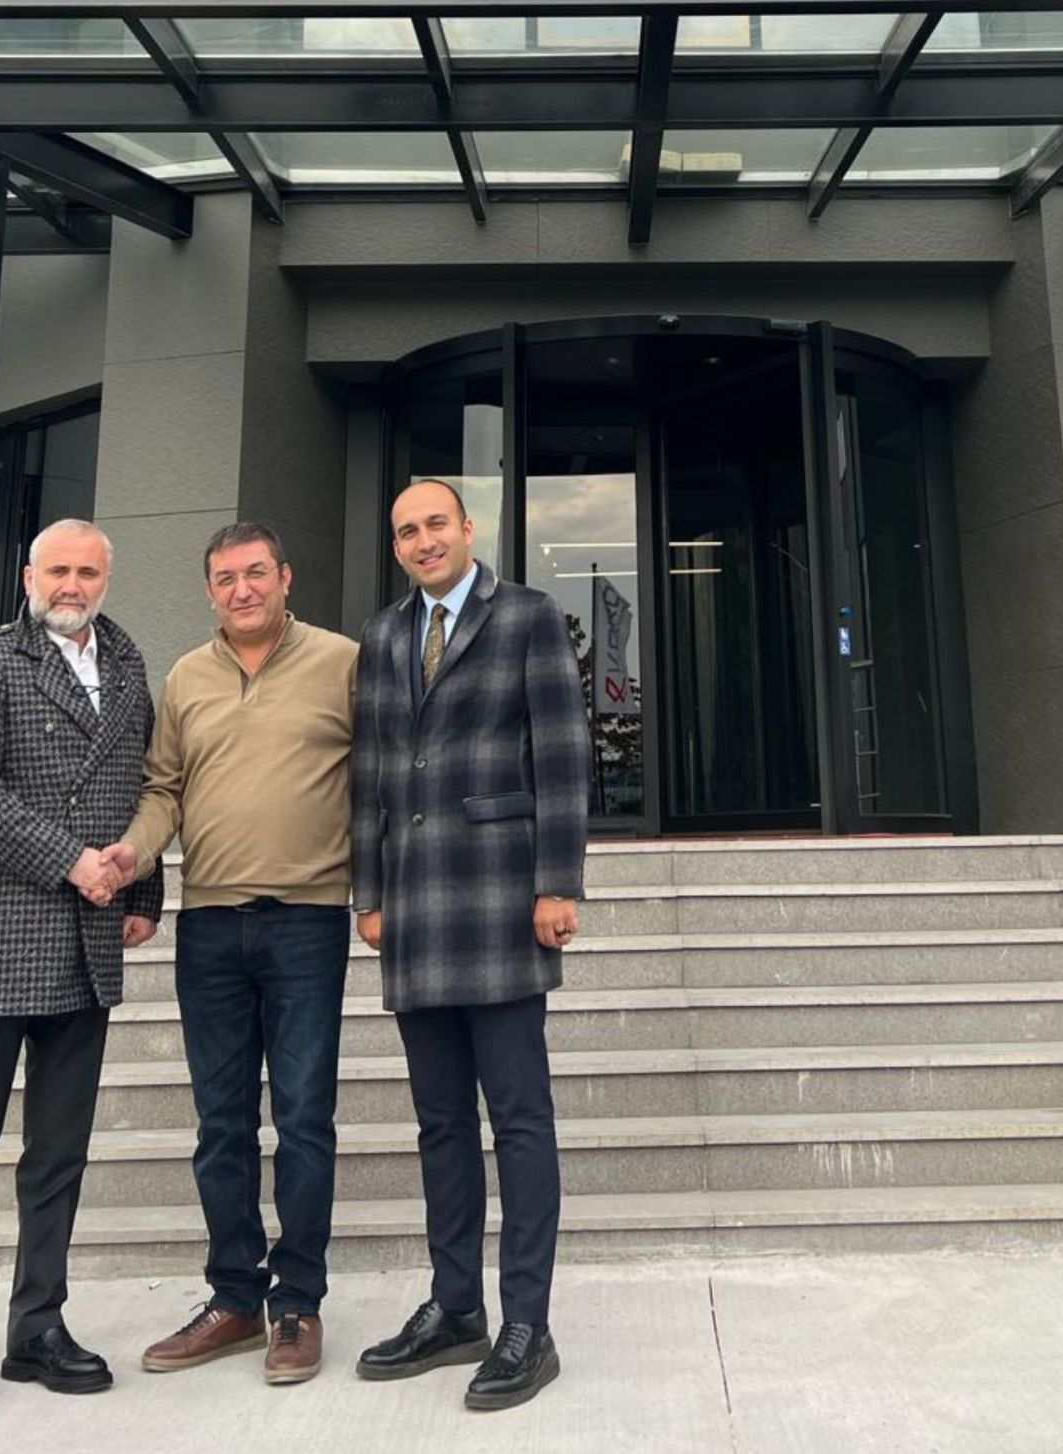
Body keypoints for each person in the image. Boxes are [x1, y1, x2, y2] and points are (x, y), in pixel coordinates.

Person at [0, 519, 162, 1426]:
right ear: (28, 576)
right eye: (58, 569)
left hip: (89, 941)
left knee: (57, 1158)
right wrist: (72, 862)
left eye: (88, 570)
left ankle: (38, 1328)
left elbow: (140, 784)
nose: (72, 584)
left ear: (106, 577)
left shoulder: (129, 665)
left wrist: (143, 890)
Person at [350, 478, 590, 1412]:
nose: (423, 541)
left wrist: (558, 882)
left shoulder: (527, 616)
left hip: (499, 895)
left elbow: (562, 754)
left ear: (467, 528)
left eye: (435, 524)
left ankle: (528, 1323)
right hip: (414, 904)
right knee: (440, 1122)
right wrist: (369, 892)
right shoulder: (381, 635)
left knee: (519, 1120)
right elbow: (372, 768)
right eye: (406, 530)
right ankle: (456, 1310)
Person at [106, 522, 359, 1385]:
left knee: (304, 1120)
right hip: (211, 925)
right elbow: (163, 789)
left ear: (286, 577)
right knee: (221, 1124)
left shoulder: (341, 662)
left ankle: (298, 1305)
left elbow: (381, 781)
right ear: (209, 591)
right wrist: (133, 855)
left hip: (308, 921)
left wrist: (378, 892)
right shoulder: (186, 676)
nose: (242, 589)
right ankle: (235, 1299)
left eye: (256, 573)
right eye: (225, 578)